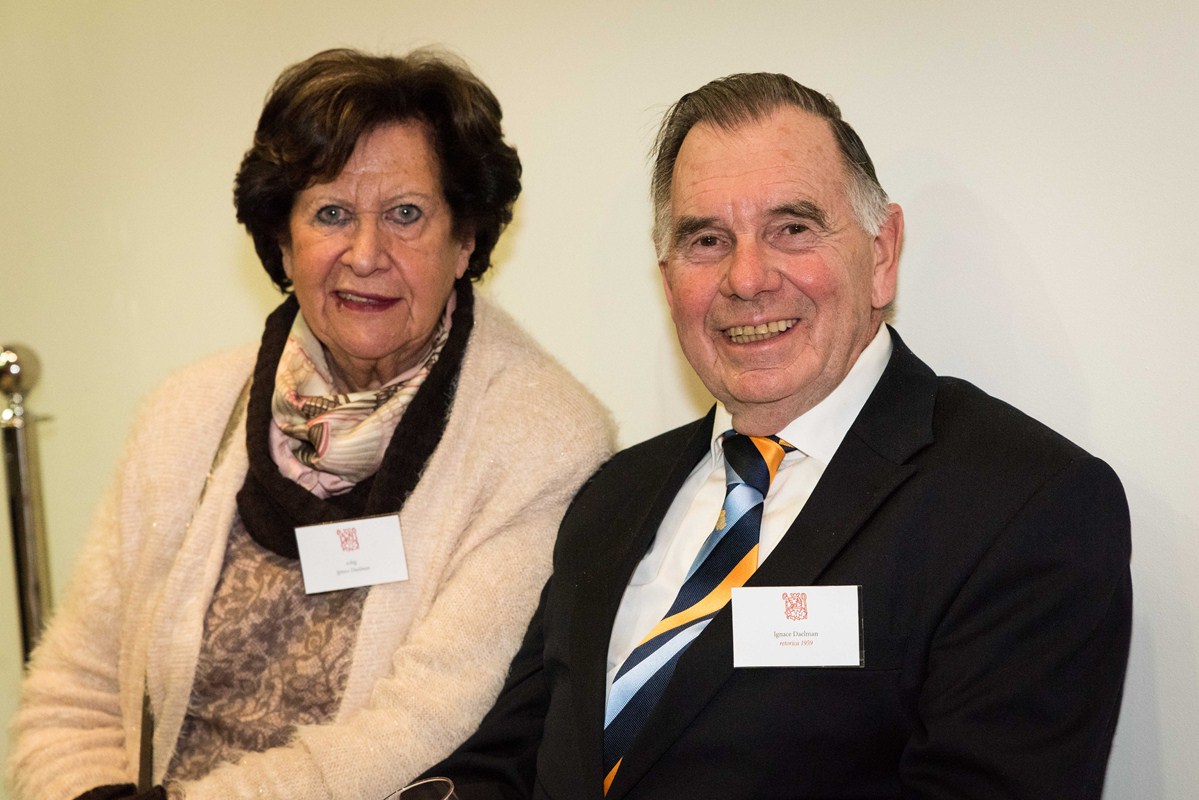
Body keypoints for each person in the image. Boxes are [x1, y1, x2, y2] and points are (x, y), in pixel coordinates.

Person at [427, 73, 1132, 799]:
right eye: (707, 240)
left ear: (881, 254)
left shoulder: (1027, 507)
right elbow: (508, 761)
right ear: (667, 279)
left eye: (791, 229)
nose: (746, 278)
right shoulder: (612, 494)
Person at [8, 49, 612, 800]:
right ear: (283, 242)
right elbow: (74, 696)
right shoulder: (186, 413)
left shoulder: (541, 438)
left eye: (406, 214)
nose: (366, 255)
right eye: (331, 214)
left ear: (465, 241)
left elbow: (421, 725)